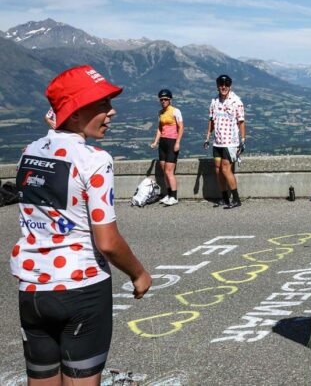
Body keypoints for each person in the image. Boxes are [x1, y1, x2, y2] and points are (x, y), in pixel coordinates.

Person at [11, 65, 152, 384]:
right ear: (74, 113)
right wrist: (139, 274)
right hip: (81, 288)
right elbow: (107, 242)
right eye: (101, 105)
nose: (111, 111)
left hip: (32, 289)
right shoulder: (95, 160)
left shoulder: (28, 154)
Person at [204, 74, 245, 209]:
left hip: (230, 142)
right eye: (221, 85)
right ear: (217, 86)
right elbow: (211, 120)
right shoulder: (214, 101)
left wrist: (242, 140)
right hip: (217, 142)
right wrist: (207, 137)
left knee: (226, 169)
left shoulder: (236, 101)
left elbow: (241, 122)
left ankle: (236, 199)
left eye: (226, 84)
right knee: (218, 170)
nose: (224, 87)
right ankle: (224, 198)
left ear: (230, 86)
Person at [150, 89, 184, 206]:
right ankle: (168, 195)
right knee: (165, 171)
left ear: (170, 100)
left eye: (166, 99)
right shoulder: (160, 113)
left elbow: (181, 128)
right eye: (161, 99)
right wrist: (155, 142)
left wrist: (177, 143)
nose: (163, 101)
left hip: (172, 142)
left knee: (169, 171)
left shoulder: (175, 111)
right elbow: (160, 128)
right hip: (163, 143)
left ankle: (174, 197)